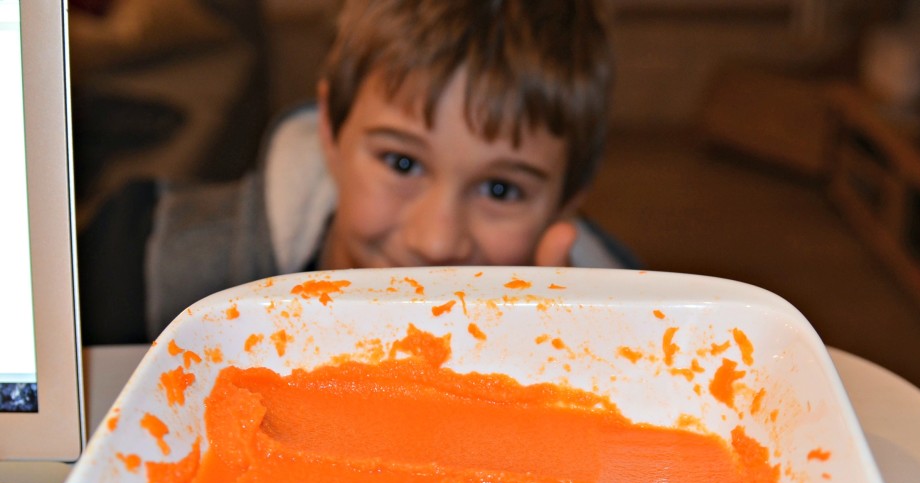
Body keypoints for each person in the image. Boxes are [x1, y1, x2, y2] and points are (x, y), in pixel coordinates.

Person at [79, 0, 638, 344]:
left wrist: (555, 359)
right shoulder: (133, 264)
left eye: (501, 189)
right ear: (331, 131)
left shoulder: (637, 328)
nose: (436, 241)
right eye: (402, 162)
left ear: (567, 202)